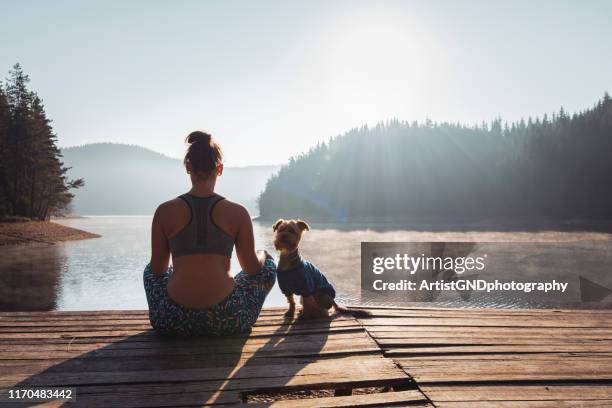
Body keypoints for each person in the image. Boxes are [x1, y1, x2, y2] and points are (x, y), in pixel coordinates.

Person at [143, 131, 276, 336]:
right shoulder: (238, 213)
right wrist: (263, 255)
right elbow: (251, 269)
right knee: (267, 265)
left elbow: (159, 270)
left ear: (188, 167)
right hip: (228, 318)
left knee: (149, 271)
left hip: (171, 320)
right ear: (219, 169)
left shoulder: (164, 211)